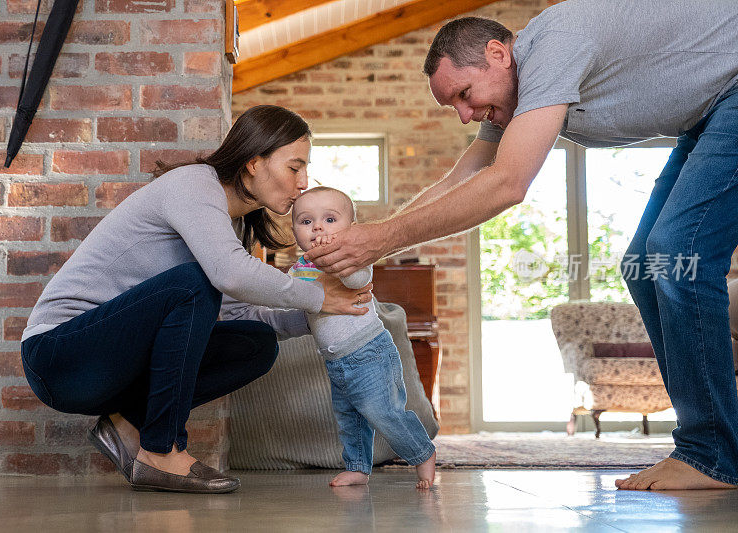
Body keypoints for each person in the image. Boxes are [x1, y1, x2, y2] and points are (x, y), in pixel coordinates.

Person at [305, 1, 738, 490]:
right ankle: (708, 444)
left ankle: (712, 455)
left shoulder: (552, 44)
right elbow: (461, 179)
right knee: (645, 263)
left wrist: (377, 239)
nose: (466, 116)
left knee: (678, 254)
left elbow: (507, 183)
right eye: (456, 107)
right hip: (713, 110)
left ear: (498, 54)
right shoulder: (518, 92)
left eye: (464, 95)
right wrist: (374, 239)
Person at [20, 105, 372, 494]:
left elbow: (238, 311)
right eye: (294, 167)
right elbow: (230, 274)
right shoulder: (194, 184)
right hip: (59, 355)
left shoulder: (232, 223)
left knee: (255, 344)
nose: (304, 182)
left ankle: (129, 425)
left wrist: (325, 314)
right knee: (191, 283)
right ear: (254, 162)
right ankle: (160, 450)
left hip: (112, 367)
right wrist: (317, 296)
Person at [289, 187, 437, 488]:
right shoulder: (300, 268)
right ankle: (357, 467)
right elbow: (288, 297)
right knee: (349, 418)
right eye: (306, 222)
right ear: (294, 231)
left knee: (382, 411)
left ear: (352, 229)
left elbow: (357, 280)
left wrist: (333, 259)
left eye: (330, 219)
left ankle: (422, 453)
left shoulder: (353, 259)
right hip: (336, 361)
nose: (318, 227)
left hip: (369, 352)